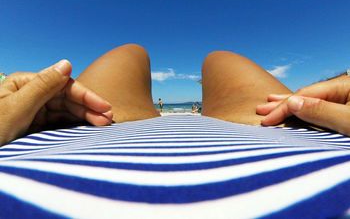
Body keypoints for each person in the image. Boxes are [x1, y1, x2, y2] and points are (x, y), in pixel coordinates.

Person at [0, 44, 349, 146]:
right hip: (280, 132)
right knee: (220, 59)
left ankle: (153, 114)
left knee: (130, 52)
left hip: (95, 131)